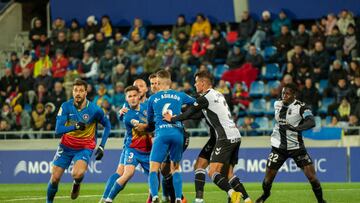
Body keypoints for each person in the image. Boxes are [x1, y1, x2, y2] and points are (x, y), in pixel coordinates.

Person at [163, 71, 249, 203]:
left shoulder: (206, 98)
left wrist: (172, 118)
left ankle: (233, 194)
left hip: (224, 137)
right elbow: (199, 115)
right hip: (233, 135)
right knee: (207, 167)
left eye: (196, 82)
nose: (195, 84)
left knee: (213, 172)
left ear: (203, 83)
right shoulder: (218, 94)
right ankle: (247, 199)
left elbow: (190, 113)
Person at [255, 83, 326, 203]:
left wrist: (296, 128)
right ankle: (265, 195)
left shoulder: (301, 107)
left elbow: (311, 122)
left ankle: (321, 201)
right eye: (283, 93)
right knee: (267, 180)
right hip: (278, 147)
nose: (284, 95)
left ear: (294, 94)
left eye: (287, 93)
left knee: (312, 178)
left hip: (296, 147)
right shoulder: (277, 104)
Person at [46, 79, 111, 203]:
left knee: (78, 174)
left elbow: (107, 125)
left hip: (85, 146)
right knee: (54, 178)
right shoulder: (66, 106)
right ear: (72, 92)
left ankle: (76, 183)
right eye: (75, 90)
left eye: (81, 91)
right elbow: (58, 130)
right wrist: (74, 127)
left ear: (86, 93)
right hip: (66, 146)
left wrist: (102, 146)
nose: (78, 93)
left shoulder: (94, 109)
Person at [146, 70, 195, 203]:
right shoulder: (180, 95)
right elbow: (196, 103)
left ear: (159, 82)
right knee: (175, 168)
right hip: (178, 134)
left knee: (154, 167)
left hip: (161, 134)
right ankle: (178, 198)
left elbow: (150, 121)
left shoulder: (152, 99)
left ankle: (155, 196)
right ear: (170, 81)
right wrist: (184, 113)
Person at [102, 86, 152, 203]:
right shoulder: (128, 115)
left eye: (134, 95)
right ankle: (107, 199)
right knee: (126, 173)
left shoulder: (147, 106)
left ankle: (152, 198)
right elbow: (145, 127)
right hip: (132, 148)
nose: (133, 98)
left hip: (147, 149)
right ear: (126, 99)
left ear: (139, 95)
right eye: (130, 96)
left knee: (154, 177)